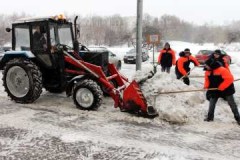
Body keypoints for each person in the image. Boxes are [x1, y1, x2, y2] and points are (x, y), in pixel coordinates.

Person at [204, 58, 240, 125]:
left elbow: (229, 79)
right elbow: (207, 80)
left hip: (227, 89)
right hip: (214, 90)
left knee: (232, 104)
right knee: (212, 103)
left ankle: (238, 118)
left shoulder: (222, 70)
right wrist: (206, 86)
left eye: (206, 65)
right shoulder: (207, 72)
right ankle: (210, 117)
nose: (205, 66)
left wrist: (221, 87)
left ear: (211, 65)